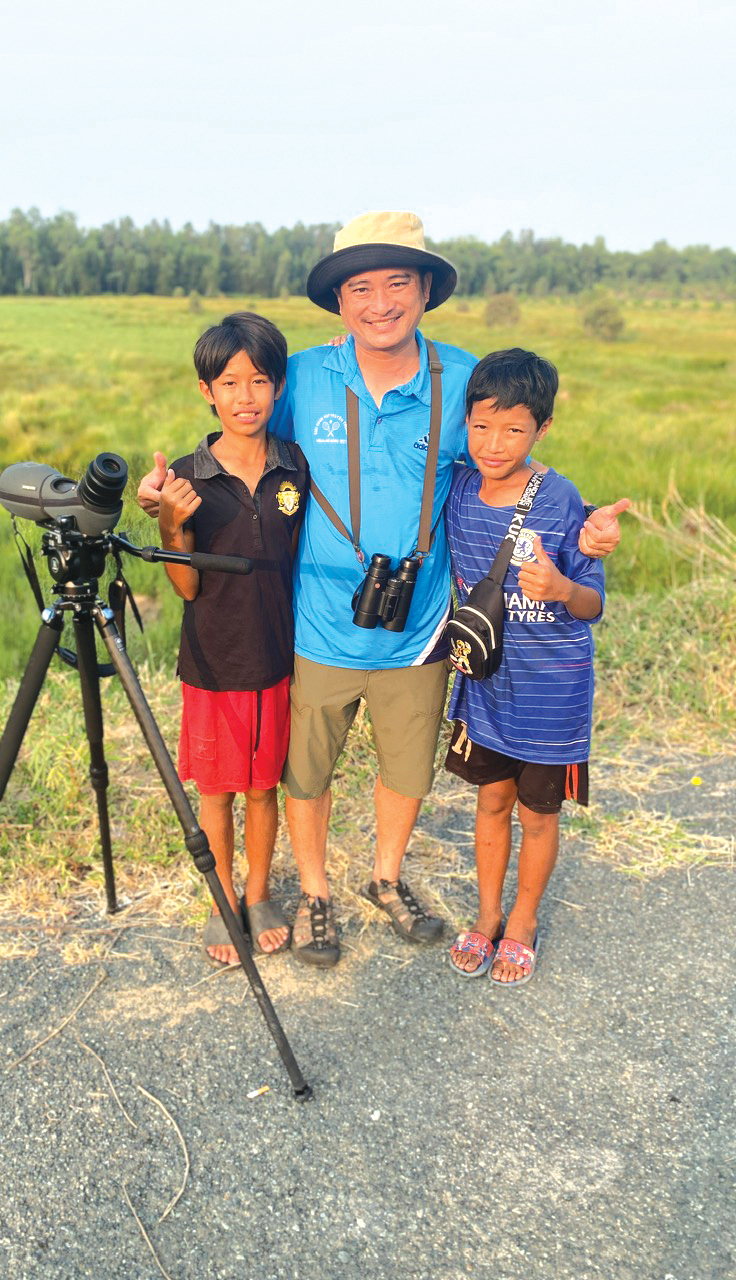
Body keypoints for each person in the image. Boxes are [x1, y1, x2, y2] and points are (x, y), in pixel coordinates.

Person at [140, 211, 628, 969]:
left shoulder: (466, 378)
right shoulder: (300, 375)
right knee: (306, 770)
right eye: (359, 286)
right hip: (317, 623)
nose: (378, 302)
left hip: (422, 622)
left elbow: (514, 462)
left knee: (406, 767)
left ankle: (387, 877)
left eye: (397, 282)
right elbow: (241, 436)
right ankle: (312, 893)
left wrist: (585, 528)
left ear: (425, 289)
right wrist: (169, 497)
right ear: (339, 302)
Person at [445, 348, 605, 986]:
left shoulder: (562, 499)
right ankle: (487, 916)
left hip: (551, 696)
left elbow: (592, 602)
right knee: (490, 802)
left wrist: (563, 588)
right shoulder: (456, 486)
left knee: (538, 814)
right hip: (486, 688)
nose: (494, 442)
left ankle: (524, 920)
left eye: (514, 429)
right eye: (481, 425)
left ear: (543, 429)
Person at [157, 312, 308, 966]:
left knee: (263, 788)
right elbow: (186, 591)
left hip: (276, 659)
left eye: (259, 382)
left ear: (277, 387)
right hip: (214, 665)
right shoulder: (190, 481)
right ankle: (221, 898)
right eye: (229, 383)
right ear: (206, 392)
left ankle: (257, 893)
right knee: (216, 791)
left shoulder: (293, 465)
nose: (245, 397)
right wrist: (169, 522)